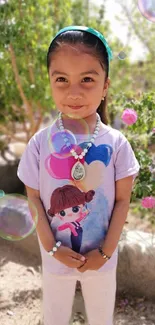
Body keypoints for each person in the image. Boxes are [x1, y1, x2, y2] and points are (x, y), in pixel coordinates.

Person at [17, 26, 140, 325]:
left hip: (102, 259)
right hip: (55, 257)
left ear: (106, 85)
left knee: (100, 317)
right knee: (55, 316)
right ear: (50, 83)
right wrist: (53, 248)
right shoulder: (38, 144)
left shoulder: (116, 144)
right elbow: (33, 197)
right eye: (61, 79)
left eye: (87, 79)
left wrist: (106, 253)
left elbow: (122, 200)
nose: (74, 92)